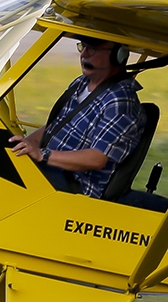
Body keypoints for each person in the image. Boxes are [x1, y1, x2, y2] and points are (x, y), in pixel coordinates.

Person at [9, 35, 143, 198]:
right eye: (83, 47)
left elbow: (96, 158)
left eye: (93, 49)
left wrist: (42, 155)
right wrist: (26, 145)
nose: (84, 55)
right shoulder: (81, 83)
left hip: (76, 187)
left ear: (118, 55)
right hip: (53, 169)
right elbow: (55, 126)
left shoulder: (120, 101)